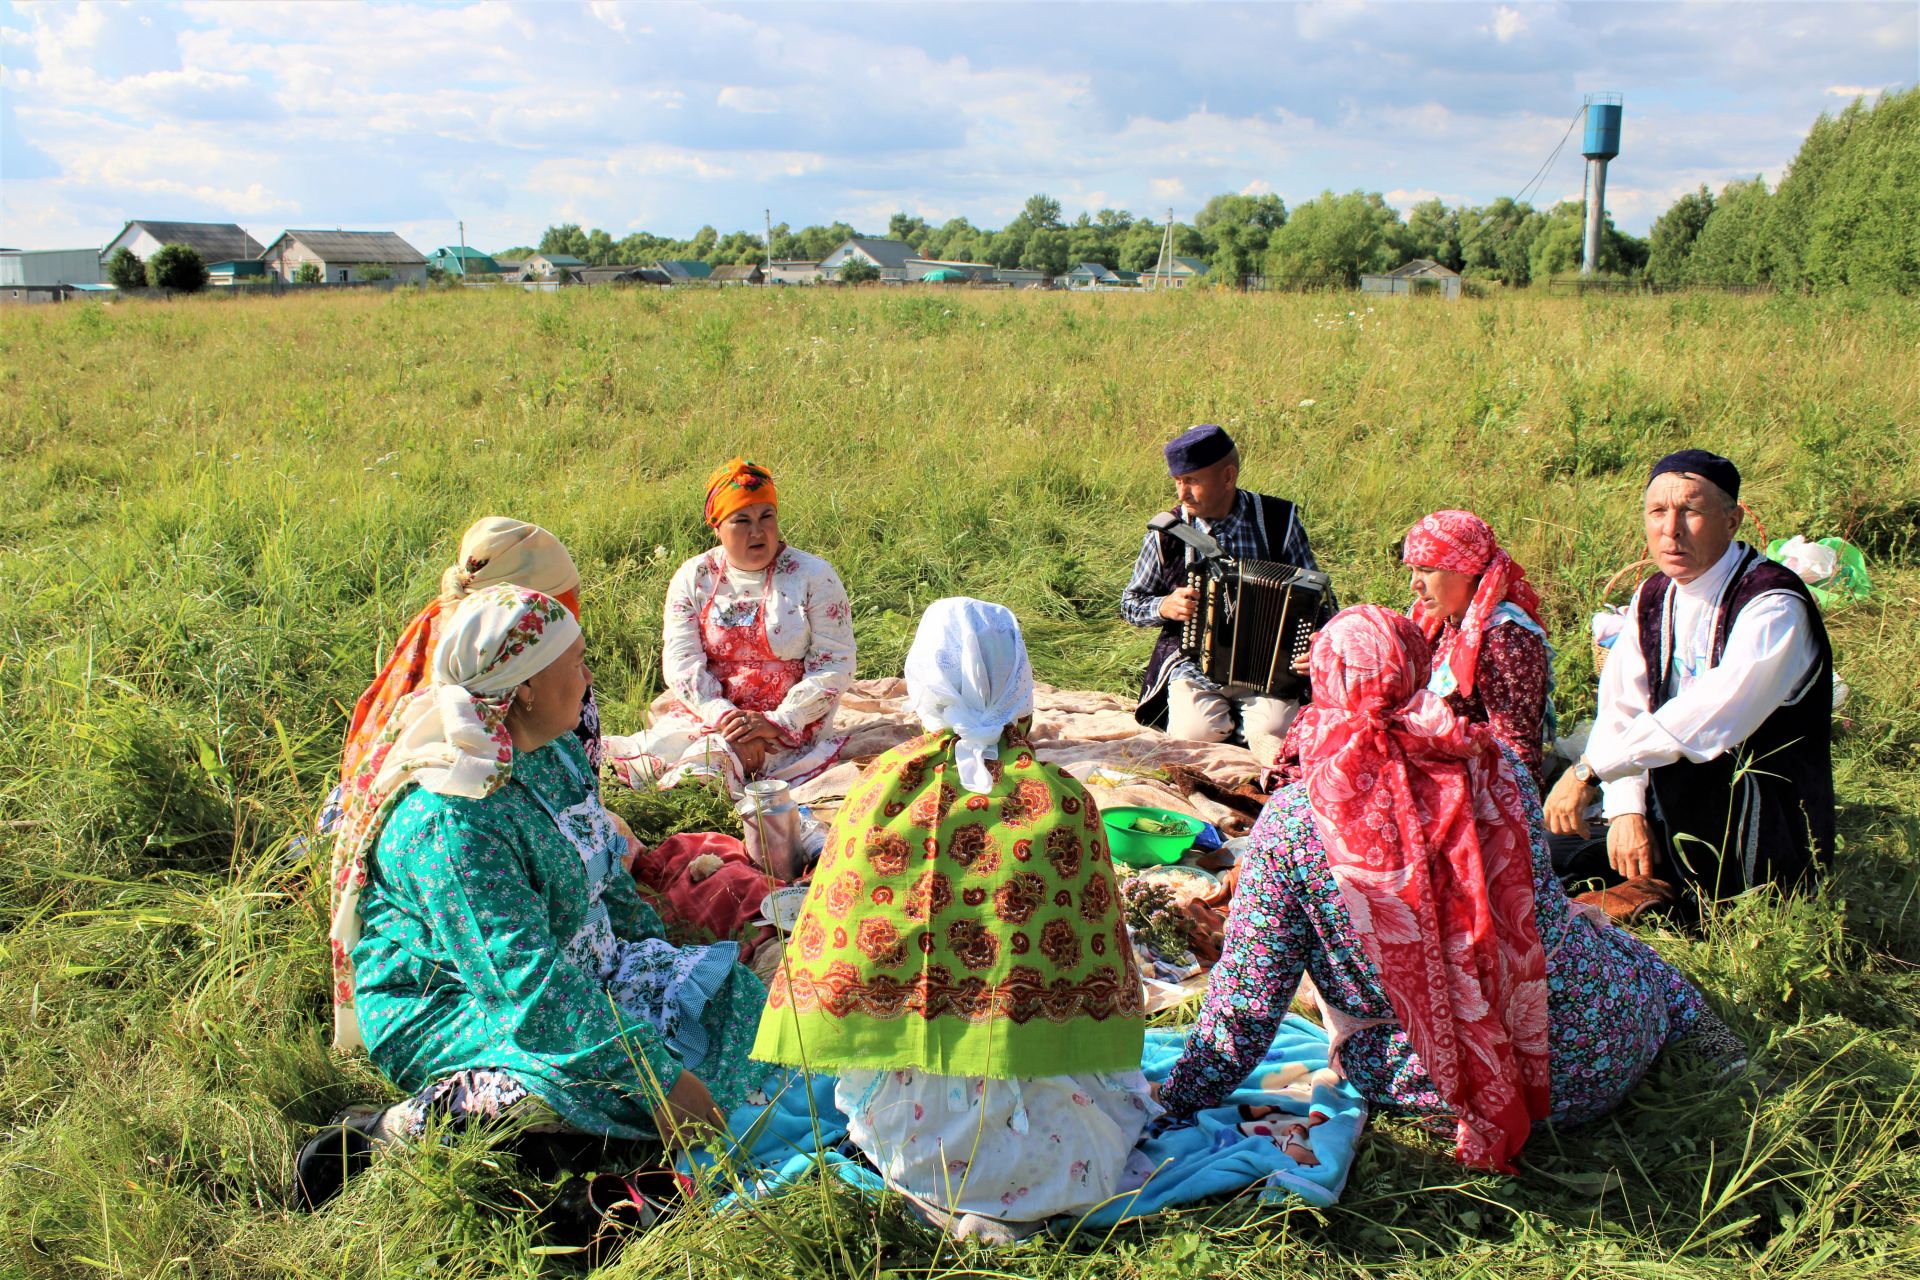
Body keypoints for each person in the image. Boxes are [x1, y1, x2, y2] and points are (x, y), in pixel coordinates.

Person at [1157, 606, 1742, 1172]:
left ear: (1324, 682)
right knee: (1614, 944)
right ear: (1418, 668)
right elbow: (1535, 914)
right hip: (1602, 1037)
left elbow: (1246, 1006)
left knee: (1341, 1013)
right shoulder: (1496, 766)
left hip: (1464, 1080)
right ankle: (1722, 1049)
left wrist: (1177, 1098)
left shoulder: (1294, 821)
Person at [753, 598, 1153, 1234]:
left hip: (919, 1145)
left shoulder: (879, 791)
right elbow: (1098, 947)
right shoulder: (1064, 802)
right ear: (1020, 682)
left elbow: (842, 943)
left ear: (923, 681)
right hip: (1069, 1139)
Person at [327, 584, 767, 1152]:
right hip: (457, 1001)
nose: (588, 679)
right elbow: (523, 988)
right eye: (578, 663)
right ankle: (383, 1133)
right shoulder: (454, 823)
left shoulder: (550, 750)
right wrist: (656, 1080)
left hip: (574, 966)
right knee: (565, 1102)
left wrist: (654, 960)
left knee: (734, 1002)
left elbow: (606, 875)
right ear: (527, 687)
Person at [1544, 450, 1834, 904]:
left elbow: (1713, 713)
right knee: (1540, 856)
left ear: (1732, 520)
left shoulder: (1773, 604)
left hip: (1752, 813)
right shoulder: (1654, 594)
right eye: (1657, 511)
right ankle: (1646, 886)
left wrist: (1590, 771)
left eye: (1691, 511)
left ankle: (1667, 900)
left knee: (1723, 903)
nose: (1670, 529)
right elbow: (1622, 708)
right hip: (1669, 801)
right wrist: (1627, 811)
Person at [324, 517, 602, 833]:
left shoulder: (443, 626)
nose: (575, 608)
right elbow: (582, 801)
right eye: (567, 598)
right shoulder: (459, 816)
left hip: (362, 804)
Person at [607, 458, 855, 795]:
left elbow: (835, 663)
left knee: (712, 764)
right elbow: (682, 661)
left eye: (767, 517)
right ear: (716, 526)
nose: (758, 531)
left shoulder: (813, 576)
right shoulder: (695, 578)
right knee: (645, 757)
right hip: (711, 713)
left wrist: (778, 721)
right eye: (742, 520)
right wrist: (723, 715)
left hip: (792, 723)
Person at [1122, 424, 1336, 762]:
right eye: (1178, 482)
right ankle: (1234, 730)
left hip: (1271, 670)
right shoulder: (1168, 532)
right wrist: (1165, 606)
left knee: (1275, 735)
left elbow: (1320, 601)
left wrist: (1319, 646)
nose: (1182, 494)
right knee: (1195, 737)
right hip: (1194, 666)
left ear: (1228, 477)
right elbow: (1130, 603)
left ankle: (1246, 730)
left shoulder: (1280, 520)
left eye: (1192, 481)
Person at [1402, 509, 1555, 787]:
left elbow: (1514, 745)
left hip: (1477, 790)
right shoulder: (1434, 619)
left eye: (1427, 570)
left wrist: (1520, 820)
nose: (1415, 584)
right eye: (1412, 570)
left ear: (1467, 572)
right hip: (1435, 773)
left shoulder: (1505, 638)